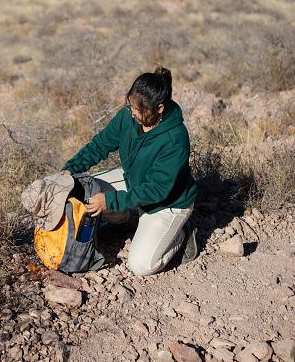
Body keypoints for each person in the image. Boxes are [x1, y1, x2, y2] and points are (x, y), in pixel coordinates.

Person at [61, 66, 197, 276]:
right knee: (83, 189)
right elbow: (100, 145)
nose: (132, 113)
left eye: (139, 110)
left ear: (159, 108)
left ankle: (180, 233)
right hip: (134, 183)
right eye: (131, 106)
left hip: (167, 203)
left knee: (141, 266)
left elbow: (157, 190)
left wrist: (111, 201)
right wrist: (71, 169)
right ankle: (125, 223)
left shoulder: (175, 139)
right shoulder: (128, 116)